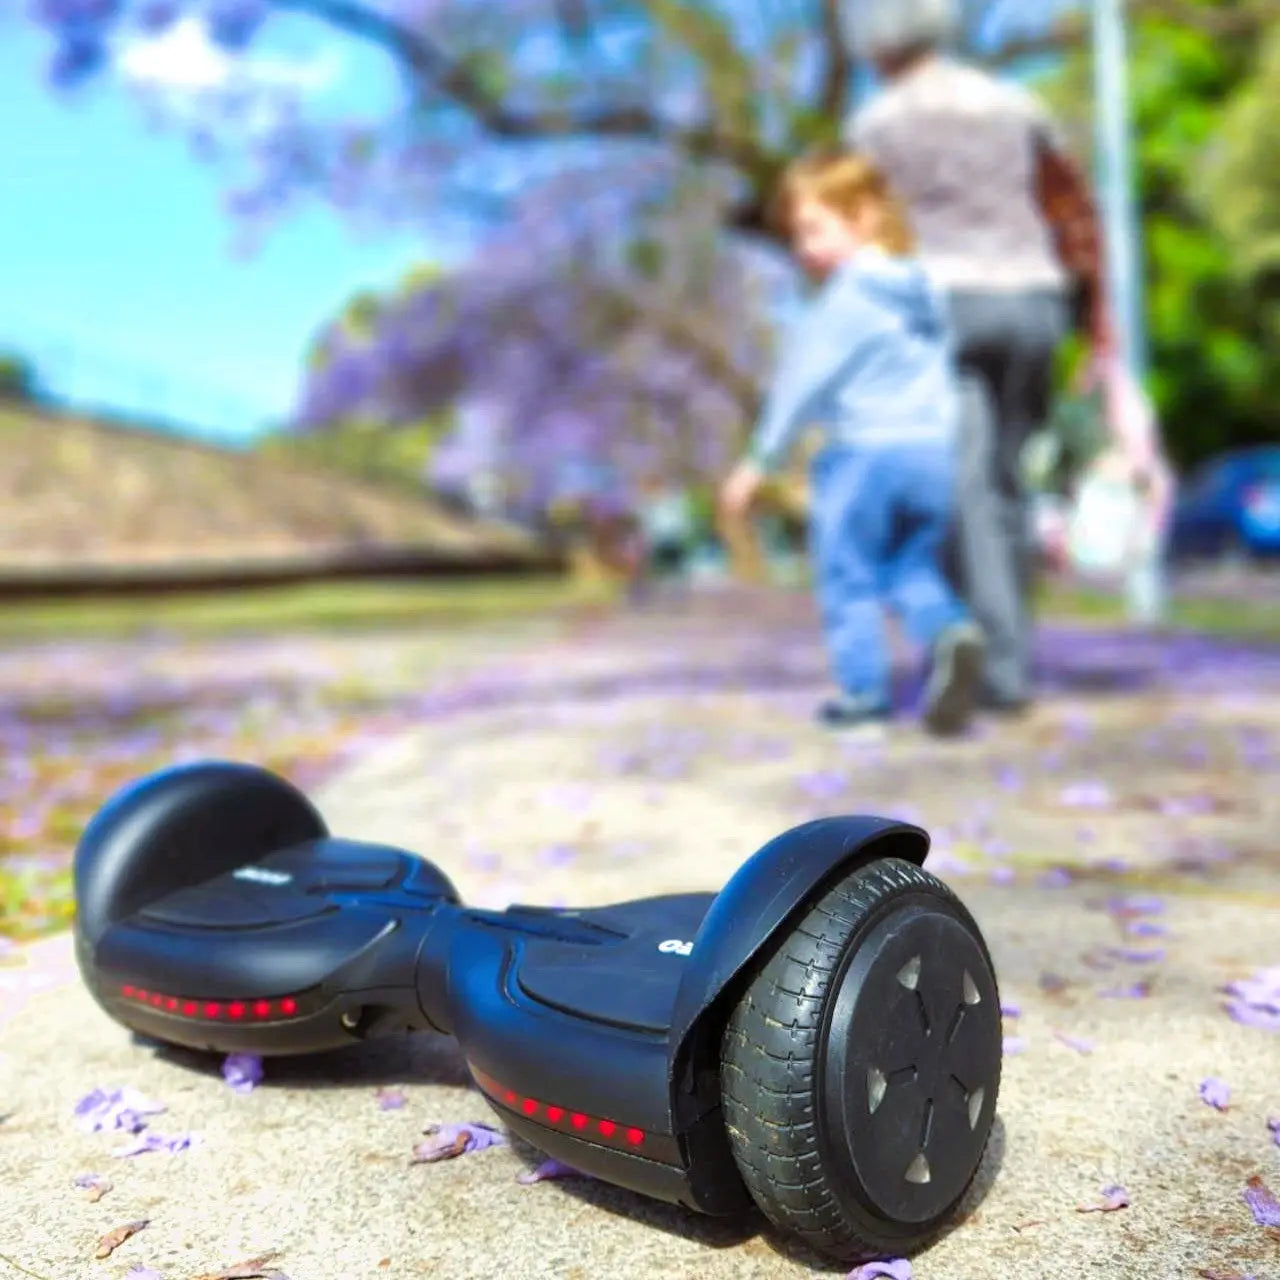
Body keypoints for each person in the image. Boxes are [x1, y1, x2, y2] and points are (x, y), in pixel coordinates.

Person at [840, 0, 1106, 714]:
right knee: (1007, 486)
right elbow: (1068, 200)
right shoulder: (1015, 103)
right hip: (1032, 304)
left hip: (945, 306)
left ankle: (986, 663)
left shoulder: (875, 124)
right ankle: (1006, 659)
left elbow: (869, 237)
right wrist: (1095, 318)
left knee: (963, 492)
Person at [719, 151, 985, 738]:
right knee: (910, 566)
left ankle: (863, 698)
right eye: (795, 235)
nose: (801, 247)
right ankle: (947, 631)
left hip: (863, 456)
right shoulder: (927, 295)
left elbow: (798, 385)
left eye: (814, 229)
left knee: (848, 575)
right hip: (933, 455)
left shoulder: (846, 301)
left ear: (864, 216)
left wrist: (758, 461)